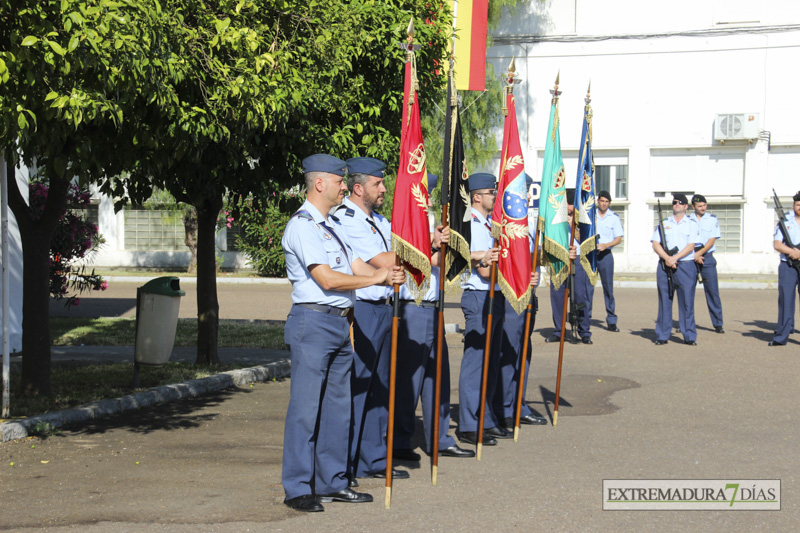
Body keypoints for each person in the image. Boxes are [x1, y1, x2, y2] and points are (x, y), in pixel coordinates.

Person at [281, 154, 404, 512]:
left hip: (338, 321)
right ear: (320, 183)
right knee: (306, 409)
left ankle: (333, 480)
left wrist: (386, 275)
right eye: (338, 180)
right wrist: (376, 278)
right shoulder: (302, 226)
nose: (342, 186)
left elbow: (354, 264)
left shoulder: (330, 226)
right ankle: (298, 486)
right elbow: (327, 278)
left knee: (338, 408)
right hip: (313, 320)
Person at [334, 157, 409, 484]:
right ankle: (346, 463)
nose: (384, 188)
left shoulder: (378, 219)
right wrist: (422, 247)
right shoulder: (346, 219)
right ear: (358, 187)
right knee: (359, 386)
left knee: (381, 386)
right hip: (363, 309)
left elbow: (399, 253)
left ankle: (373, 458)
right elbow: (382, 260)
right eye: (378, 183)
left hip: (385, 307)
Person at [393, 174, 475, 460]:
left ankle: (439, 438)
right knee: (409, 380)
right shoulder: (402, 220)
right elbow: (403, 256)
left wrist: (446, 245)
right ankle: (401, 441)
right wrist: (431, 241)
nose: (429, 198)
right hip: (412, 306)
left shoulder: (431, 223)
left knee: (437, 377)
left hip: (433, 307)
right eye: (425, 192)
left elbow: (438, 262)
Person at [456, 173, 509, 446]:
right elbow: (486, 271)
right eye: (491, 192)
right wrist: (514, 273)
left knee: (491, 362)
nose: (495, 196)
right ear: (476, 196)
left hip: (495, 296)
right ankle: (468, 423)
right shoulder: (473, 225)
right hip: (479, 296)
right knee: (476, 364)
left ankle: (485, 419)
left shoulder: (488, 224)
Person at [496, 180, 546, 428]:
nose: (528, 196)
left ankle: (518, 404)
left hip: (528, 296)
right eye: (523, 191)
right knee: (511, 350)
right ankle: (505, 407)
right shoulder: (501, 225)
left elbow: (531, 257)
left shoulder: (529, 225)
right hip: (510, 297)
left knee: (524, 352)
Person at [651, 193, 702, 345]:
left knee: (686, 302)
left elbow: (691, 246)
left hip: (685, 266)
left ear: (686, 206)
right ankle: (662, 335)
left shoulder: (692, 224)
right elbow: (655, 243)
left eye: (680, 202)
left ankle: (689, 336)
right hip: (665, 266)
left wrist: (675, 258)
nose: (677, 204)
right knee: (664, 300)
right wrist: (667, 258)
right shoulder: (664, 223)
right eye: (674, 202)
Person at [546, 189, 583, 343]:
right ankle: (559, 331)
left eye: (571, 204)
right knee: (558, 296)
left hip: (577, 259)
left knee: (579, 295)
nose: (568, 207)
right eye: (566, 204)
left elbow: (587, 241)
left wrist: (573, 226)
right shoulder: (556, 218)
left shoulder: (582, 220)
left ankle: (582, 331)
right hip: (559, 259)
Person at [689, 194, 724, 334]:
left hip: (707, 257)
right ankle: (686, 322)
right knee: (687, 292)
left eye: (704, 205)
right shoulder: (687, 220)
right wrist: (694, 255)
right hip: (690, 258)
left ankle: (718, 323)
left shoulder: (712, 219)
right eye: (699, 206)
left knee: (712, 292)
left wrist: (700, 253)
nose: (703, 208)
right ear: (693, 207)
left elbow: (711, 240)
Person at [769, 191, 800, 346]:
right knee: (786, 301)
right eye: (797, 204)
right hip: (788, 266)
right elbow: (777, 244)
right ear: (794, 205)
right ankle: (781, 337)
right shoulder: (784, 220)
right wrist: (793, 252)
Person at [595, 190, 624, 332]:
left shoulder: (614, 218)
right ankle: (585, 318)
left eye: (607, 202)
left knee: (608, 289)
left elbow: (618, 238)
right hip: (591, 255)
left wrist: (606, 245)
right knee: (587, 289)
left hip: (605, 255)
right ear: (598, 201)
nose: (604, 204)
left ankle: (611, 320)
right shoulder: (591, 214)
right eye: (602, 201)